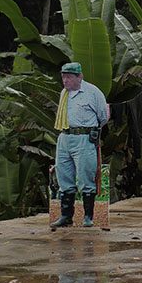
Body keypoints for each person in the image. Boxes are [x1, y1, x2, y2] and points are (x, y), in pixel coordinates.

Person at [51, 62, 109, 228]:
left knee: (85, 176)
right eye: (63, 77)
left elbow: (103, 117)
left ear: (79, 77)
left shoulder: (92, 92)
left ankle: (88, 216)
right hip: (64, 137)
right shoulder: (64, 93)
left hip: (83, 137)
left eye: (69, 77)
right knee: (64, 175)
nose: (65, 81)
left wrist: (91, 132)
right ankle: (66, 216)